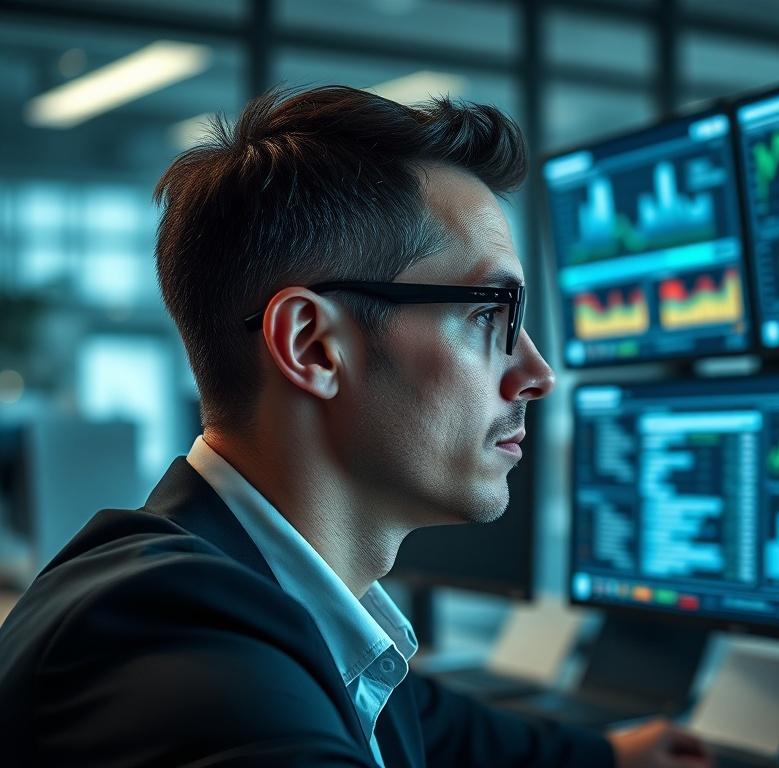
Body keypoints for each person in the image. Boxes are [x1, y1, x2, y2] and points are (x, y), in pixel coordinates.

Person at [0, 86, 710, 768]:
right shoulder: (174, 652)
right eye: (489, 315)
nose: (537, 373)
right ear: (313, 346)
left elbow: (428, 716)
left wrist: (608, 755)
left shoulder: (250, 597)